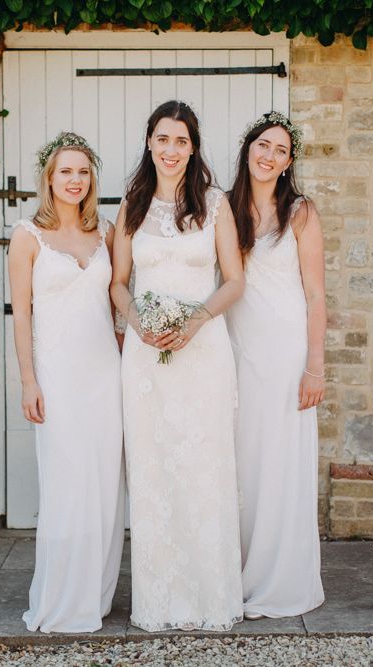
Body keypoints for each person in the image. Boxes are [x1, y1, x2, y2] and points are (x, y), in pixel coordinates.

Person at [110, 101, 245, 631]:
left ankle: (209, 598)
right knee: (154, 472)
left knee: (202, 470)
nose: (171, 150)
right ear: (150, 143)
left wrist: (196, 319)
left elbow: (234, 279)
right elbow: (119, 283)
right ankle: (160, 601)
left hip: (204, 352)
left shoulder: (214, 204)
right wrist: (137, 323)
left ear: (193, 148)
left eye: (181, 141)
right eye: (163, 139)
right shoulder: (132, 206)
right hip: (146, 360)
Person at [8, 132, 125, 633]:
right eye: (65, 172)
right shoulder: (26, 236)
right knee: (65, 486)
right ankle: (62, 597)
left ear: (91, 179)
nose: (74, 180)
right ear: (49, 179)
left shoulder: (109, 233)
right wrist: (29, 380)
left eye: (83, 172)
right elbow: (21, 317)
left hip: (104, 374)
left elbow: (120, 295)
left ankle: (94, 596)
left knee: (103, 485)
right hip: (56, 375)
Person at [227, 111, 326, 619]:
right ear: (248, 150)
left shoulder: (301, 213)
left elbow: (315, 293)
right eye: (263, 145)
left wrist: (316, 366)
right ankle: (237, 572)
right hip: (237, 353)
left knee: (280, 464)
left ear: (289, 164)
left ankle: (280, 577)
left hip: (286, 354)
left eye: (280, 151)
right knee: (242, 464)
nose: (269, 156)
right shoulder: (223, 208)